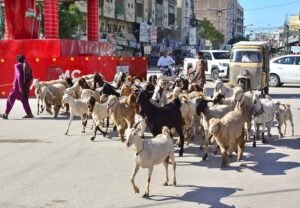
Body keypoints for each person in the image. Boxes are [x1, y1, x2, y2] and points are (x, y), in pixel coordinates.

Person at [0, 55, 34, 119]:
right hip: (24, 86)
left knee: (10, 98)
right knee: (24, 99)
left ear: (17, 60)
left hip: (17, 87)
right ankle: (29, 114)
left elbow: (19, 75)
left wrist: (20, 87)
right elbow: (31, 76)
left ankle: (6, 114)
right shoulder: (27, 66)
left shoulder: (17, 65)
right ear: (24, 59)